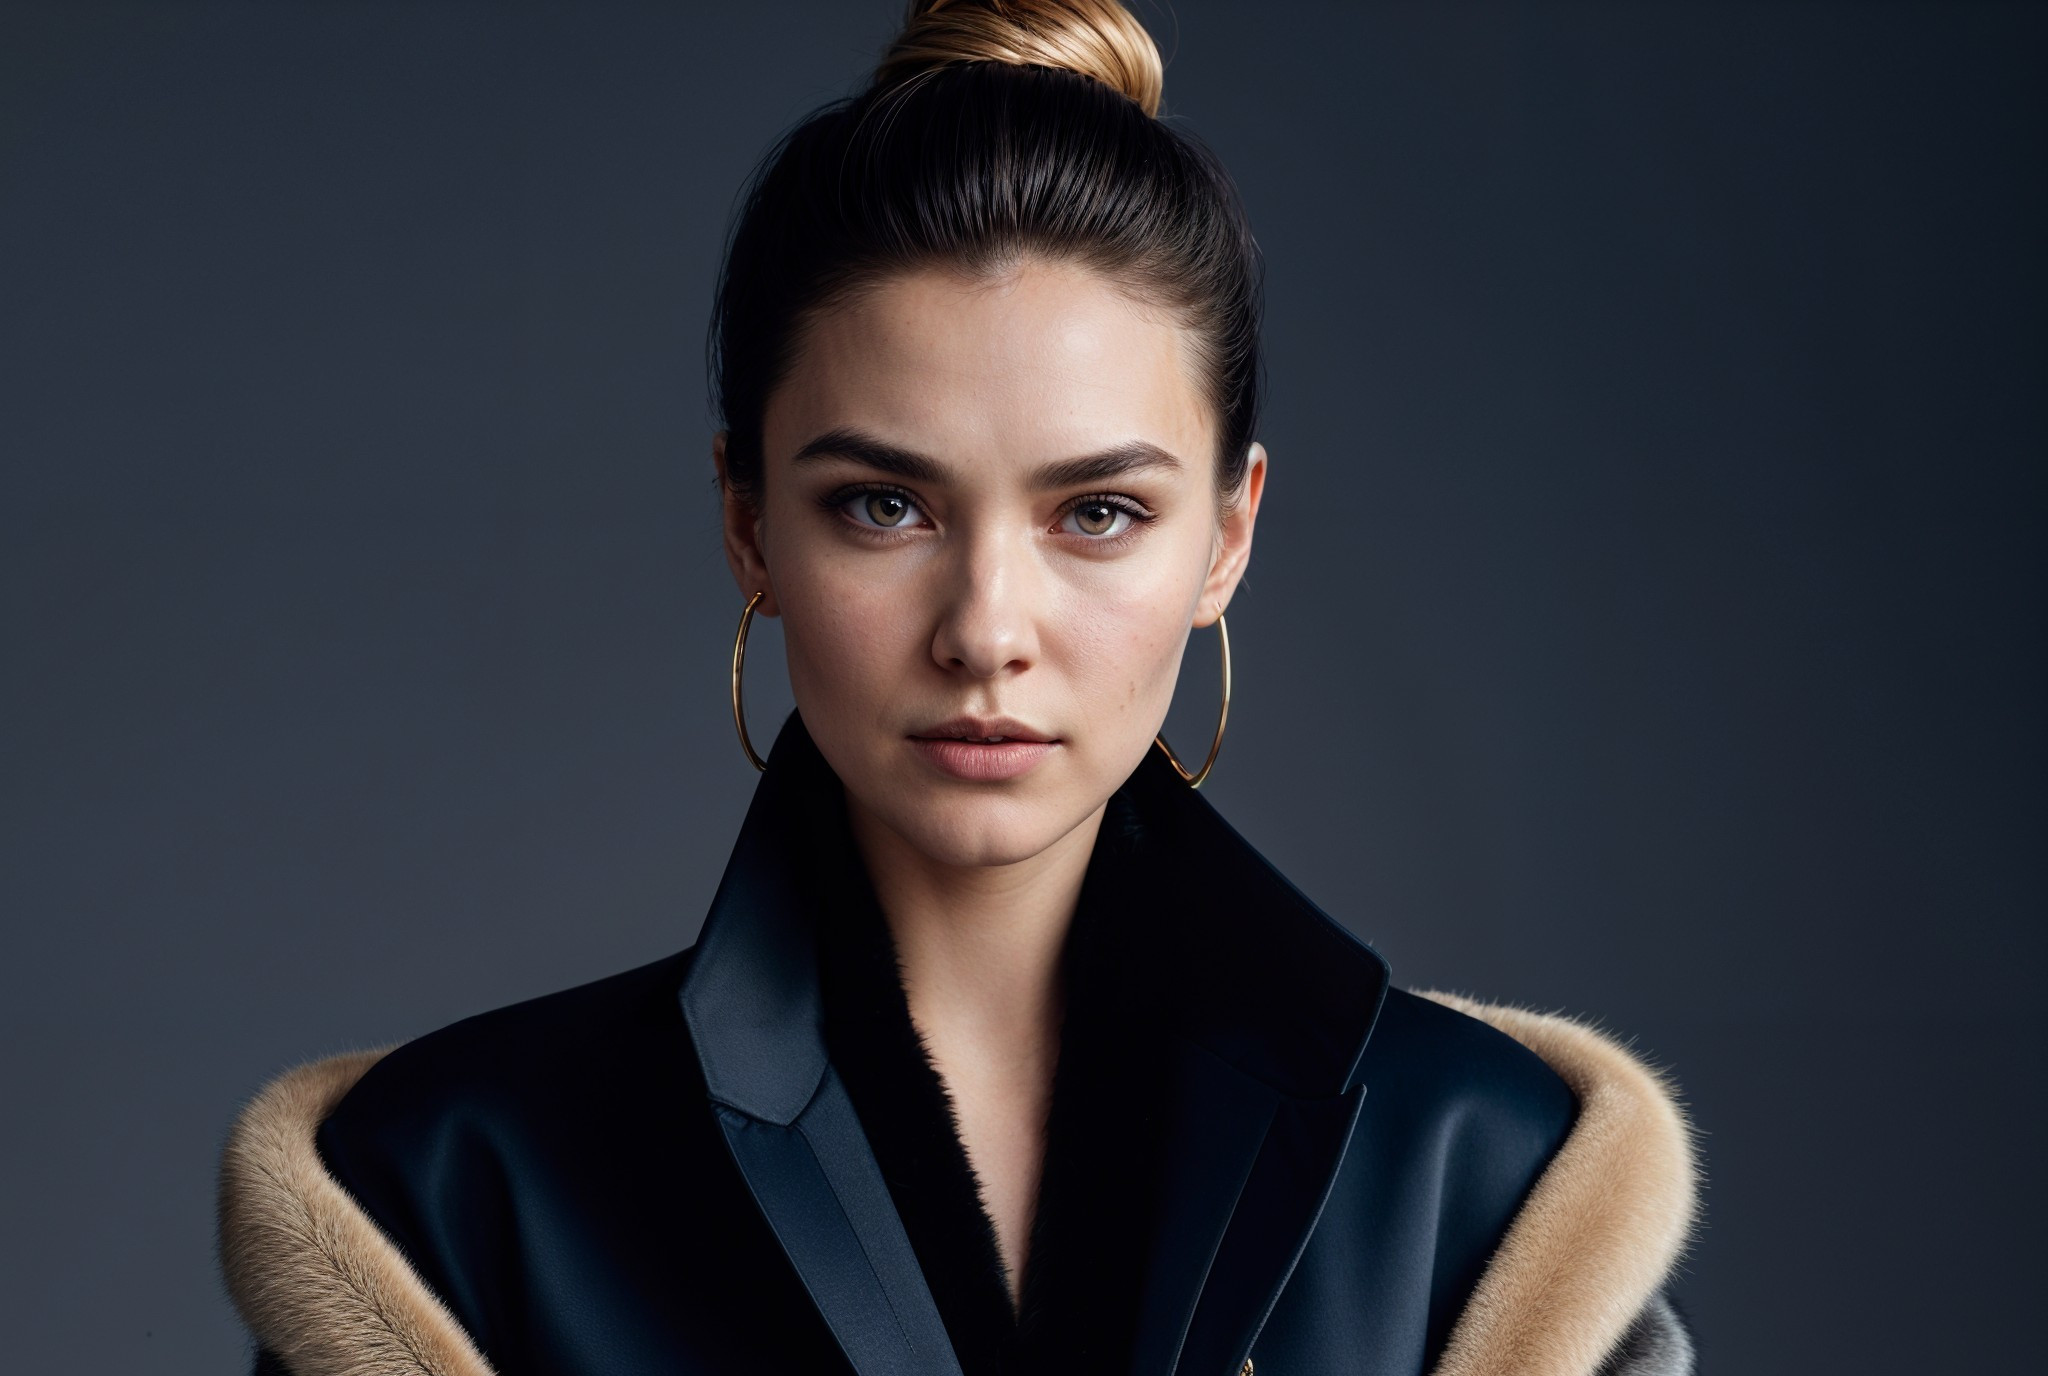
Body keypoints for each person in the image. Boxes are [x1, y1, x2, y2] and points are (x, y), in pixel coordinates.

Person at [215, 3, 1702, 1373]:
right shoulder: (458, 1198)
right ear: (749, 524)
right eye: (885, 506)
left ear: (1227, 538)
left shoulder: (1486, 1186)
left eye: (1097, 513)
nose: (986, 630)